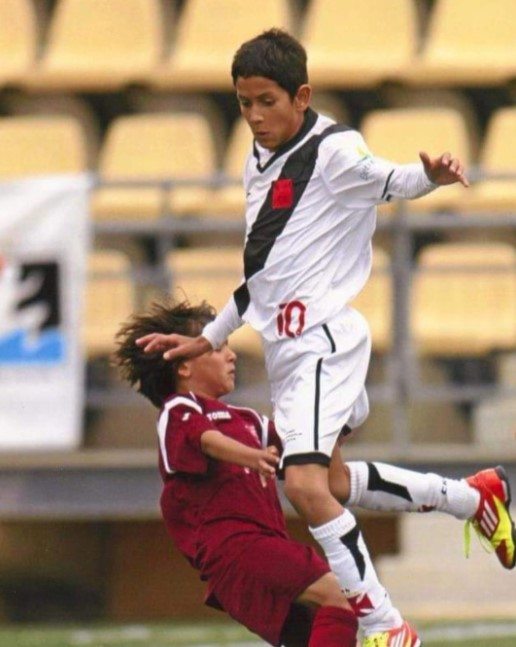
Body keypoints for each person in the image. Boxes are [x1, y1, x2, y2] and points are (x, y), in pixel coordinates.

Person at [137, 29, 514, 646]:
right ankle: (473, 499)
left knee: (305, 487)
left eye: (267, 101)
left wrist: (431, 179)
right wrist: (208, 337)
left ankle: (386, 625)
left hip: (321, 341)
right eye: (243, 103)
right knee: (333, 482)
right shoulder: (256, 161)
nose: (255, 116)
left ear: (301, 95)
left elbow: (389, 179)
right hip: (291, 353)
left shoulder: (334, 148)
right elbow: (262, 276)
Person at [115, 299, 359, 647]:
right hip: (237, 549)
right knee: (341, 596)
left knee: (319, 627)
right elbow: (207, 440)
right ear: (184, 368)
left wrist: (334, 404)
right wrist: (251, 456)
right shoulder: (178, 409)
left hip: (262, 548)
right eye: (220, 347)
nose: (231, 356)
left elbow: (308, 445)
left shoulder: (247, 421)